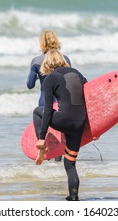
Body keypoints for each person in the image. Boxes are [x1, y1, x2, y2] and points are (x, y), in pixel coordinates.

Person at [33, 49, 87, 201]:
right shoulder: (78, 74)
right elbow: (89, 99)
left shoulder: (51, 78)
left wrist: (42, 136)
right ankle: (73, 197)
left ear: (47, 63)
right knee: (70, 163)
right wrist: (94, 128)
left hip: (63, 120)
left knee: (37, 111)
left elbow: (48, 109)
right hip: (79, 124)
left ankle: (42, 145)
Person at [27, 30, 71, 162]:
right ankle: (58, 164)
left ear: (42, 43)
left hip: (44, 103)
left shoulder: (36, 61)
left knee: (45, 135)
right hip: (62, 103)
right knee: (60, 136)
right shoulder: (65, 59)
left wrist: (36, 76)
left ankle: (46, 160)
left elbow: (29, 85)